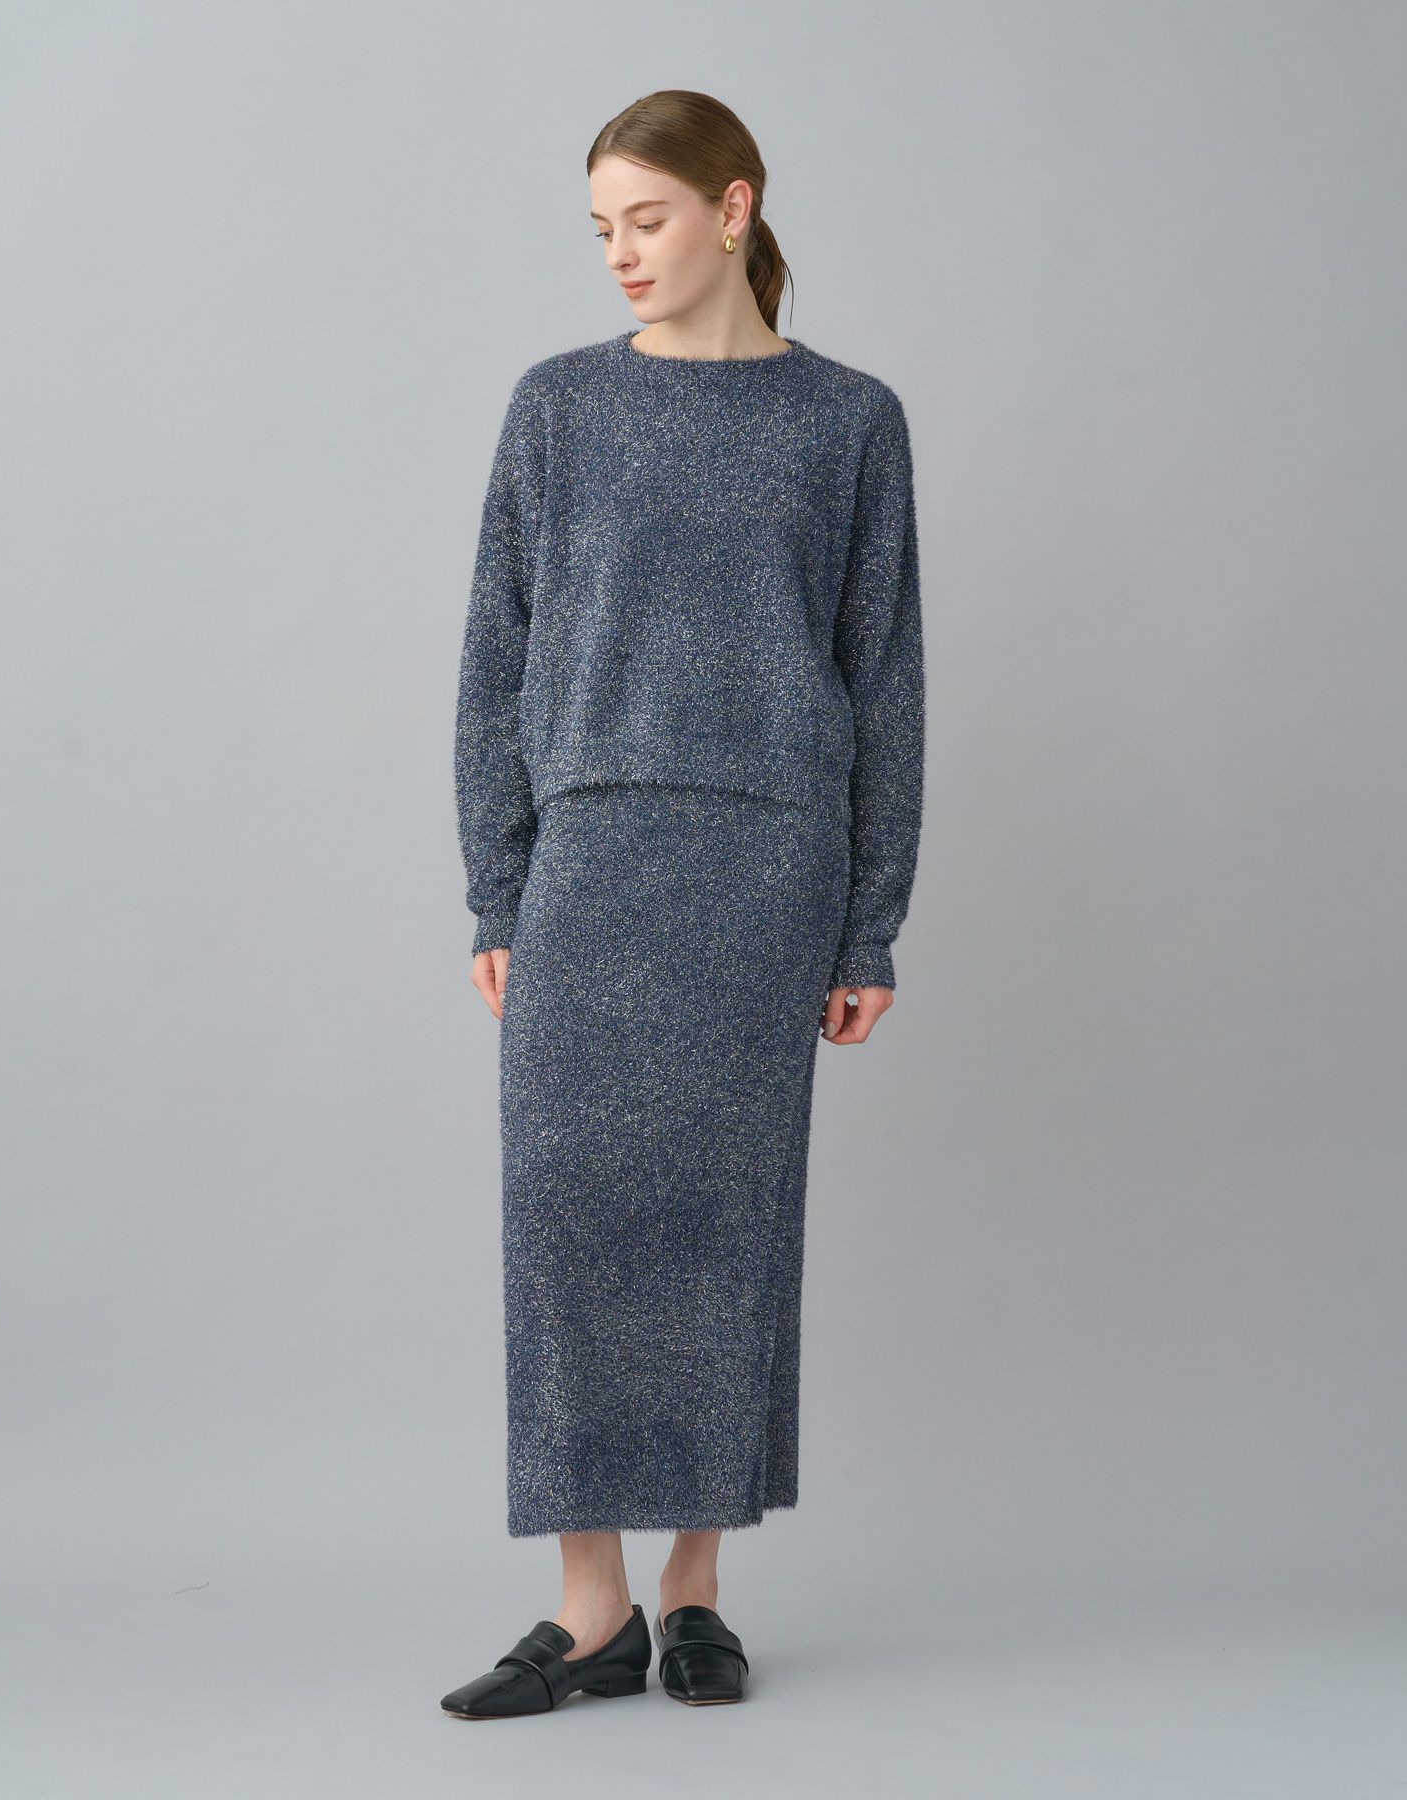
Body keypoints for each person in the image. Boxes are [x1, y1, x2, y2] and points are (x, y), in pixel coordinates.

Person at [442, 88, 925, 1718]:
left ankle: (695, 1587)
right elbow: (496, 659)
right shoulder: (558, 408)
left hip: (767, 867)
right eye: (601, 228)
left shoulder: (849, 421)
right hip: (590, 859)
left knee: (729, 1230)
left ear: (734, 208)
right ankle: (588, 1606)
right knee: (566, 1220)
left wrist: (868, 922)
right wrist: (497, 890)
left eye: (646, 219)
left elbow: (884, 679)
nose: (621, 253)